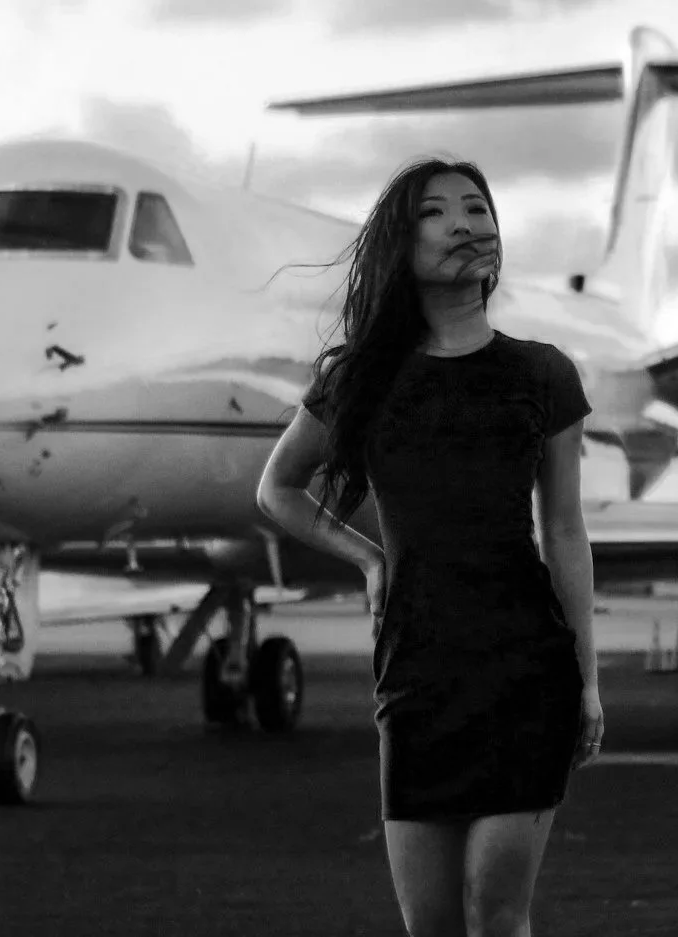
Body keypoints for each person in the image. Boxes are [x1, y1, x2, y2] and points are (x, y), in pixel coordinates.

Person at [256, 156, 602, 937]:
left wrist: (586, 681)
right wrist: (368, 557)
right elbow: (278, 487)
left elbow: (564, 531)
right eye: (435, 212)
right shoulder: (361, 378)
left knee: (495, 911)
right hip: (415, 674)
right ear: (400, 246)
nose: (463, 224)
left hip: (525, 670)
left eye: (476, 208)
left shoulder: (543, 373)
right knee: (431, 923)